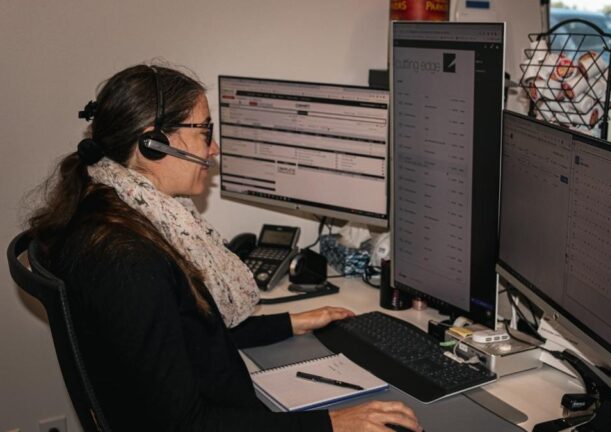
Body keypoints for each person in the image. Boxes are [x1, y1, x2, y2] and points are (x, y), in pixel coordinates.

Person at [27, 64, 422, 432]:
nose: (213, 150)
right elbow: (185, 424)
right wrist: (332, 423)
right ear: (153, 142)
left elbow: (179, 336)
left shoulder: (112, 213)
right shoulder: (129, 260)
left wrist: (287, 323)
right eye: (205, 132)